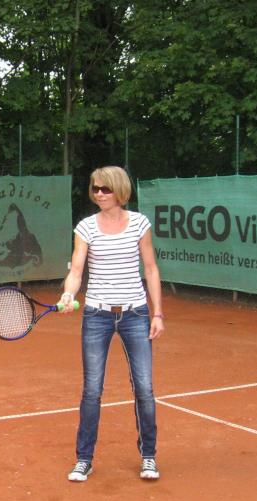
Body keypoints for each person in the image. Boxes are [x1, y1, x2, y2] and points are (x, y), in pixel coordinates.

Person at [59, 166, 164, 483]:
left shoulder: (140, 224)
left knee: (144, 388)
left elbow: (151, 269)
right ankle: (84, 460)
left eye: (105, 188)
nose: (99, 194)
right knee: (92, 390)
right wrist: (68, 293)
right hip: (96, 316)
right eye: (95, 189)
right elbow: (77, 270)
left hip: (135, 314)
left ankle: (148, 456)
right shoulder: (85, 227)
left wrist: (157, 313)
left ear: (119, 190)